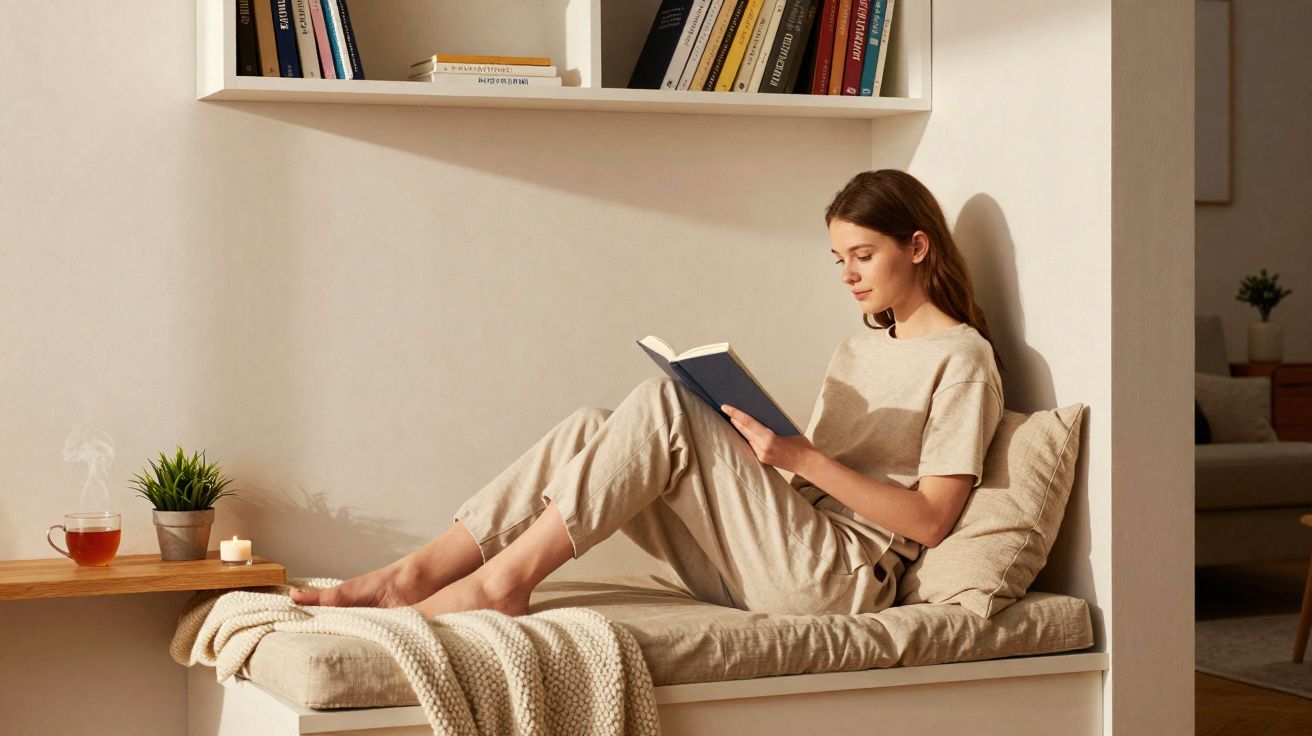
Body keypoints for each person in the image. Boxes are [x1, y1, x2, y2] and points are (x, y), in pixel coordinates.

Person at [290, 169, 1005, 619]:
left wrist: (801, 457)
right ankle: (412, 575)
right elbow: (806, 476)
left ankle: (501, 582)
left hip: (835, 578)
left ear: (917, 247)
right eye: (838, 259)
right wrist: (767, 451)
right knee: (590, 427)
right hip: (778, 546)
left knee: (664, 408)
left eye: (863, 256)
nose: (847, 275)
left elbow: (932, 522)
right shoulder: (857, 349)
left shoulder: (964, 359)